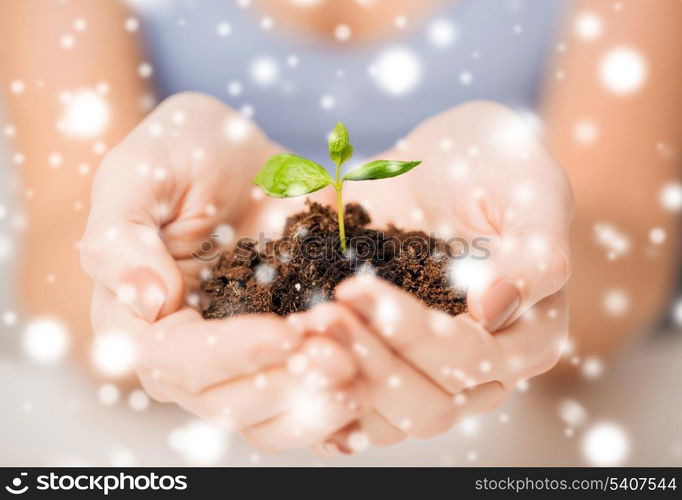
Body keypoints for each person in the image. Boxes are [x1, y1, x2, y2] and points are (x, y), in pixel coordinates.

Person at [0, 0, 680, 455]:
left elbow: (624, 240)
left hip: (536, 434)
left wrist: (530, 278)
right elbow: (65, 232)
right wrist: (140, 286)